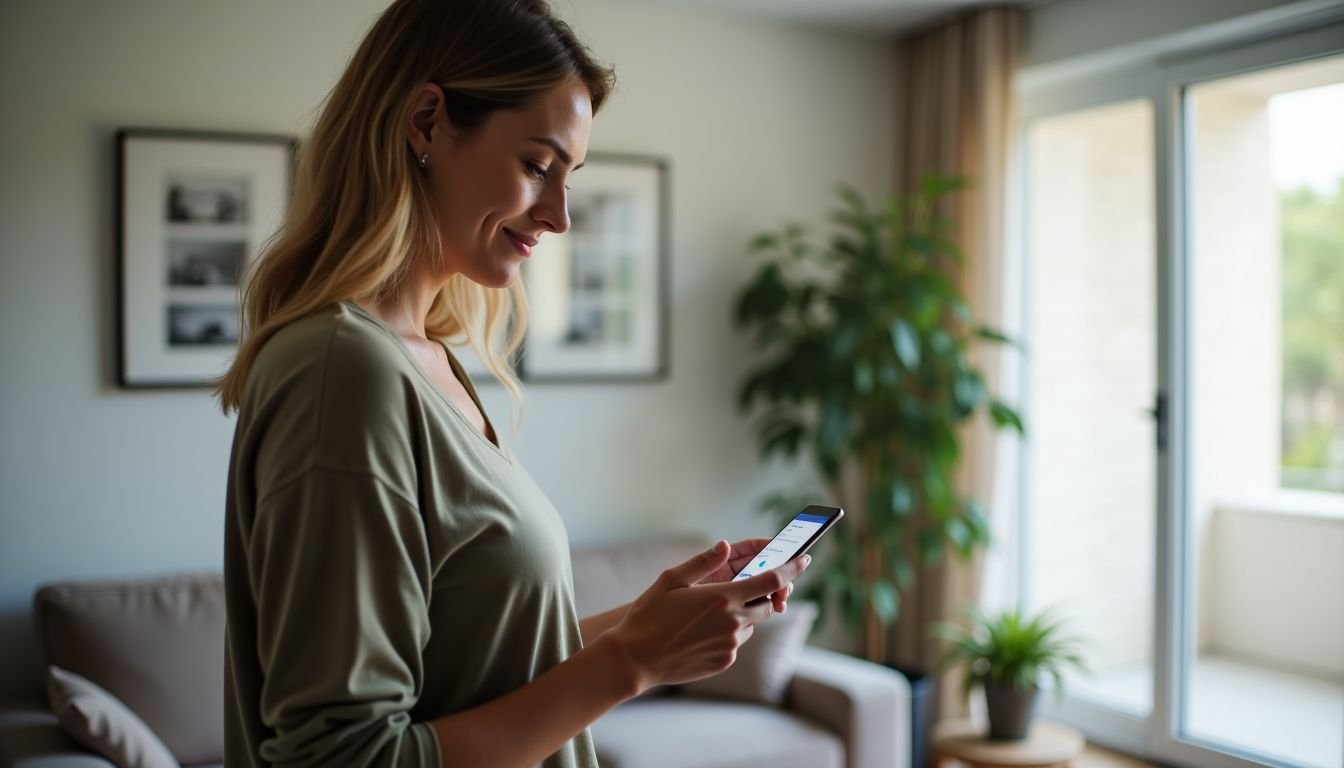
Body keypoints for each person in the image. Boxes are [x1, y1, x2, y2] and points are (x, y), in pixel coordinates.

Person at [215, 1, 809, 766]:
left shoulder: (424, 359)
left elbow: (477, 664)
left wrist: (645, 626)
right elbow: (344, 756)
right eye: (537, 167)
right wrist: (631, 666)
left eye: (570, 177)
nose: (559, 215)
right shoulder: (343, 371)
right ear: (426, 122)